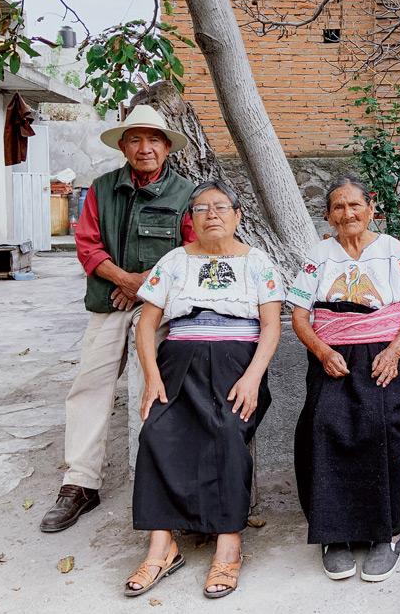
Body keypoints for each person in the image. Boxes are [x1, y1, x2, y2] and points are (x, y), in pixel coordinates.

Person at [40, 105, 196, 534]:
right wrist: (125, 280)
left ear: (166, 147)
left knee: (158, 389)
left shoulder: (188, 193)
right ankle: (80, 483)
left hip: (158, 305)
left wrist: (144, 286)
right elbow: (88, 246)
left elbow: (192, 251)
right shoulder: (102, 188)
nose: (145, 148)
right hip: (110, 299)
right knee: (89, 385)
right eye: (135, 139)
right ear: (124, 146)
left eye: (153, 140)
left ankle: (161, 480)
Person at [124, 179, 282, 598]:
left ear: (237, 216)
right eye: (201, 209)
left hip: (237, 363)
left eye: (220, 207)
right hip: (178, 361)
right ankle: (163, 545)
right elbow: (146, 324)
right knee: (156, 431)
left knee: (229, 431)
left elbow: (270, 327)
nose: (211, 215)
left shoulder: (259, 262)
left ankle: (228, 543)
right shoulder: (174, 260)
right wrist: (152, 377)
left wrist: (252, 377)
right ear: (190, 220)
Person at [288, 177, 400, 583]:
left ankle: (389, 532)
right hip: (333, 355)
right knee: (322, 421)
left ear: (370, 207)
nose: (347, 213)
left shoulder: (390, 250)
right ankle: (335, 536)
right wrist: (323, 351)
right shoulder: (318, 255)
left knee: (379, 421)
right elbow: (299, 314)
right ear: (328, 216)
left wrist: (396, 350)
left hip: (384, 351)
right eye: (337, 207)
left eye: (354, 205)